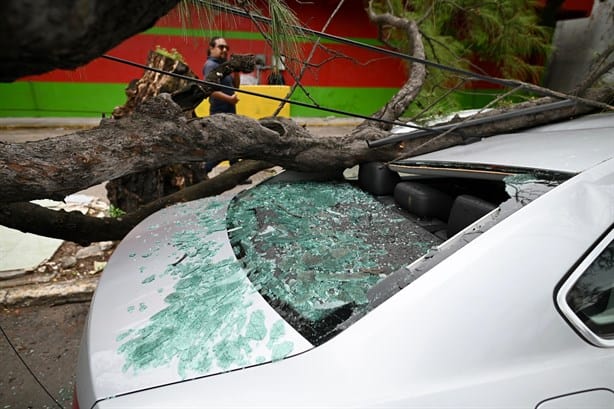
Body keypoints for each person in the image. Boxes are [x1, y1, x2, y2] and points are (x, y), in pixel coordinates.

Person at [202, 36, 247, 180]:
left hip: (229, 109)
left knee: (233, 141)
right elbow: (210, 90)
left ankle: (237, 174)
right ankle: (203, 169)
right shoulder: (211, 65)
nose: (225, 50)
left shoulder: (223, 66)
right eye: (221, 47)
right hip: (219, 110)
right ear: (211, 48)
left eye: (226, 48)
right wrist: (230, 99)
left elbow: (236, 87)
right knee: (223, 145)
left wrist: (237, 71)